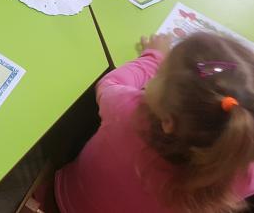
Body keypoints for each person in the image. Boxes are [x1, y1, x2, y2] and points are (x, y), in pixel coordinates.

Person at [55, 32, 254, 213]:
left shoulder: (128, 109)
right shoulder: (242, 169)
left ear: (168, 122)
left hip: (67, 200)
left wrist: (154, 58)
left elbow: (109, 83)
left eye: (160, 75)